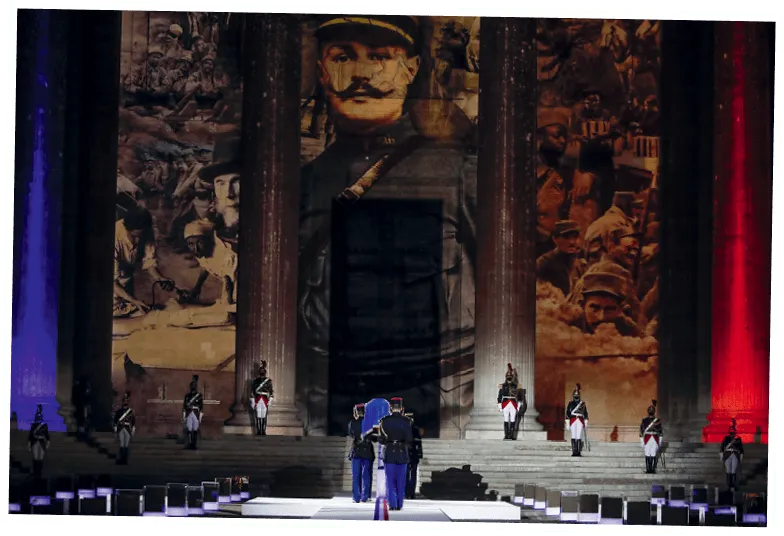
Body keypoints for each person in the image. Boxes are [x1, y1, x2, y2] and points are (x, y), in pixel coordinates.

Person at [297, 15, 476, 435]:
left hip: (445, 391)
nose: (361, 74)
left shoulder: (458, 171)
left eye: (380, 57)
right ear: (323, 70)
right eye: (343, 57)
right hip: (328, 391)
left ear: (412, 68)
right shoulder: (304, 183)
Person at [114, 207, 175, 318]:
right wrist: (134, 301)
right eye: (134, 237)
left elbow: (148, 261)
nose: (138, 242)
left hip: (126, 283)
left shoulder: (148, 232)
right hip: (109, 287)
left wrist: (159, 278)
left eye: (141, 237)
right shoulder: (114, 237)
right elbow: (112, 282)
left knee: (133, 316)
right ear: (126, 228)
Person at [379, 397, 414, 511]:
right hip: (402, 453)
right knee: (401, 480)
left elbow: (382, 440)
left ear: (390, 408)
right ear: (401, 408)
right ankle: (399, 504)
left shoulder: (384, 421)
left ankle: (392, 504)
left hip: (389, 452)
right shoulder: (407, 421)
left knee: (390, 480)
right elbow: (409, 439)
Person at [536, 220, 587, 298]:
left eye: (575, 237)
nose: (572, 242)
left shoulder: (580, 263)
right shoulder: (544, 262)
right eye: (566, 237)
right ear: (555, 239)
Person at [348, 403, 375, 503]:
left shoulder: (352, 423)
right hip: (367, 450)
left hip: (356, 450)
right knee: (366, 474)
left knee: (356, 475)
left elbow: (351, 434)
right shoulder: (370, 424)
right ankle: (365, 496)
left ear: (356, 412)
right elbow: (373, 437)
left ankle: (356, 497)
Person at [497, 364, 521, 441]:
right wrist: (499, 406)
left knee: (513, 419)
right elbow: (499, 396)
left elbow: (520, 396)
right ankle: (506, 435)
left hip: (513, 403)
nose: (509, 376)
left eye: (510, 375)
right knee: (506, 419)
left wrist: (519, 405)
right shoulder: (501, 385)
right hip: (505, 403)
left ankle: (511, 435)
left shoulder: (517, 385)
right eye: (507, 375)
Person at [639, 399, 663, 474]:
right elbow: (661, 432)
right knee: (651, 454)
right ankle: (650, 469)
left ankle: (650, 469)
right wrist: (660, 442)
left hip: (648, 438)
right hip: (654, 438)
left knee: (649, 453)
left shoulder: (645, 420)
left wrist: (642, 441)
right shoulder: (657, 420)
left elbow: (641, 432)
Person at [250, 362, 274, 436]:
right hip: (257, 398)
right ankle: (258, 431)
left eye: (263, 371)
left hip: (264, 399)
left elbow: (271, 391)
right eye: (261, 371)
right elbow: (252, 391)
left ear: (265, 372)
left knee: (264, 416)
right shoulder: (255, 381)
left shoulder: (268, 381)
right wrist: (252, 401)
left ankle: (263, 431)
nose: (262, 372)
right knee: (258, 416)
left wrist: (270, 400)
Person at [113, 392, 136, 465]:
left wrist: (133, 430)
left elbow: (133, 421)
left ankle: (125, 460)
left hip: (128, 428)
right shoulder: (119, 411)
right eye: (124, 401)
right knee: (122, 444)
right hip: (121, 428)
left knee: (126, 445)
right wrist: (115, 429)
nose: (125, 402)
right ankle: (121, 459)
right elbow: (115, 420)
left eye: (126, 401)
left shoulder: (130, 412)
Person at [720, 419, 744, 491]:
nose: (732, 431)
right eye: (731, 429)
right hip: (727, 454)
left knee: (733, 470)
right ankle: (729, 485)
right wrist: (721, 456)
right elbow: (722, 447)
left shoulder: (738, 438)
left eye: (733, 429)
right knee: (728, 470)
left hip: (735, 454)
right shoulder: (726, 438)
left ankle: (733, 485)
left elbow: (741, 448)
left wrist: (741, 456)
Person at [27, 405, 50, 480]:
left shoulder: (45, 425)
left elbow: (47, 435)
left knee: (40, 458)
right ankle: (35, 472)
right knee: (36, 457)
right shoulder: (33, 425)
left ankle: (39, 473)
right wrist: (29, 444)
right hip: (35, 441)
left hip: (42, 442)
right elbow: (30, 435)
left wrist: (47, 443)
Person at [565, 384, 588, 457]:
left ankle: (578, 452)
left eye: (577, 394)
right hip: (573, 420)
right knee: (573, 436)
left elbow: (585, 413)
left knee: (578, 436)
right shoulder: (570, 403)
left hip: (580, 420)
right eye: (575, 394)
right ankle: (574, 451)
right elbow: (567, 413)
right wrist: (567, 423)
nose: (576, 395)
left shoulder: (582, 404)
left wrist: (586, 422)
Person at [405, 411, 423, 500]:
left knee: (408, 475)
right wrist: (419, 455)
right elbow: (419, 444)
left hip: (408, 455)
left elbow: (419, 443)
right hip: (412, 455)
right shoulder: (415, 430)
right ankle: (410, 493)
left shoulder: (404, 429)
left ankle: (408, 493)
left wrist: (419, 454)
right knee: (411, 475)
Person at [182, 375, 204, 450]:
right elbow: (184, 406)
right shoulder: (187, 396)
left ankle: (194, 444)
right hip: (189, 412)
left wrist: (200, 417)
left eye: (194, 385)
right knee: (189, 429)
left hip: (196, 412)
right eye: (192, 385)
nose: (193, 387)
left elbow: (201, 407)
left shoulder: (199, 396)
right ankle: (189, 444)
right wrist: (184, 416)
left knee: (195, 429)